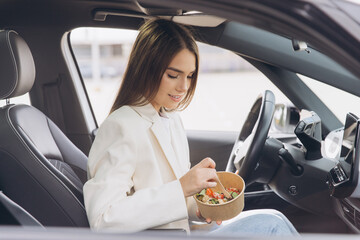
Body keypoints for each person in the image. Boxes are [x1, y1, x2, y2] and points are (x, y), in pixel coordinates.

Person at [83, 18, 298, 236]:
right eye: (173, 75)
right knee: (272, 225)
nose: (184, 86)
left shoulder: (171, 119)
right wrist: (182, 187)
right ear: (146, 68)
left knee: (275, 217)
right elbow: (103, 220)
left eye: (190, 76)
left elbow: (174, 205)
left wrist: (202, 208)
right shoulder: (120, 125)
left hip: (181, 232)